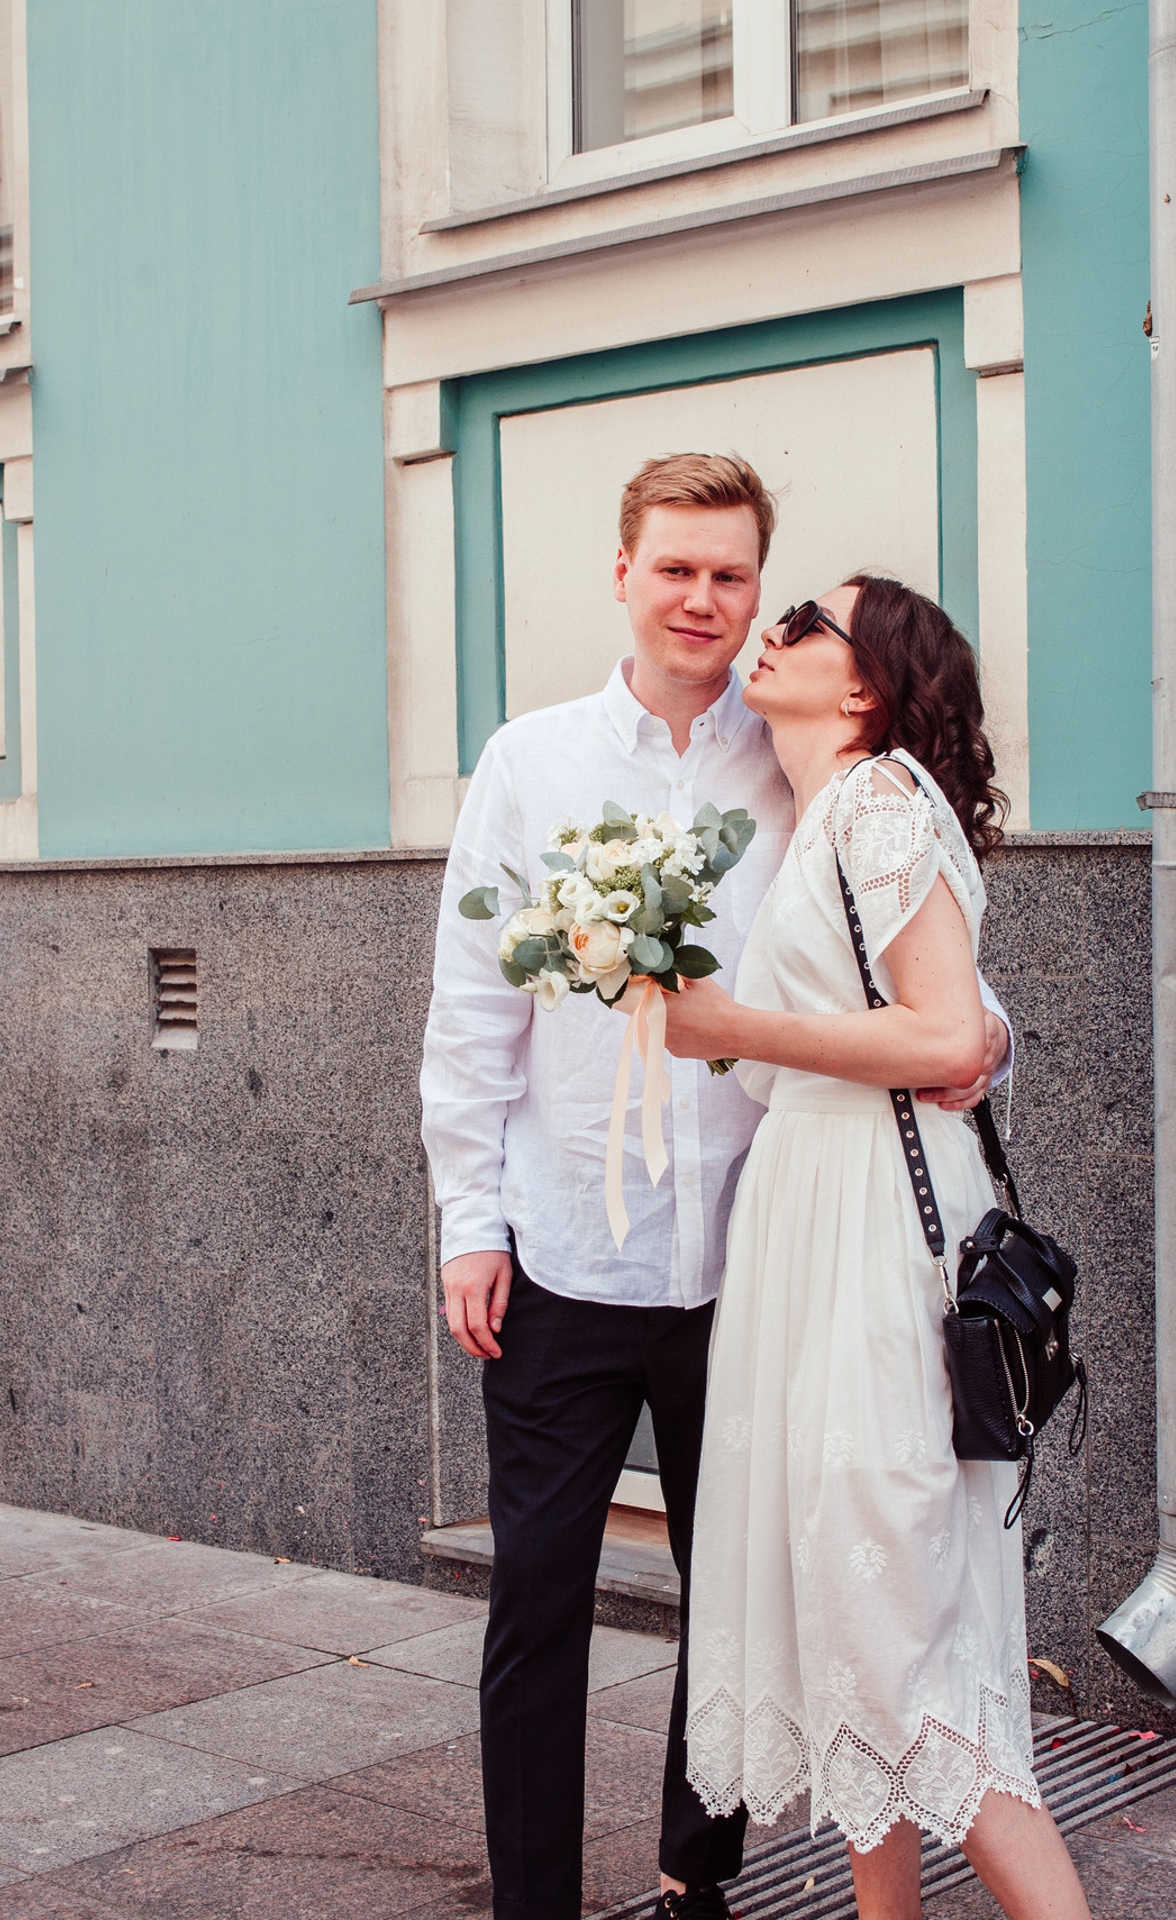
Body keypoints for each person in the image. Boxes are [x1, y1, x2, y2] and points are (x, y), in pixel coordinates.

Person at [420, 459, 1014, 1920]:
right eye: (677, 569)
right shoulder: (531, 763)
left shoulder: (806, 759)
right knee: (537, 1604)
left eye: (733, 575)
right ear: (623, 574)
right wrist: (469, 1223)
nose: (705, 600)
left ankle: (703, 1874)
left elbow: (920, 959)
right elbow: (469, 1014)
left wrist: (990, 1037)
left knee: (739, 1593)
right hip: (563, 1255)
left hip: (756, 1270)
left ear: (759, 587)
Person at [659, 575, 1091, 1920]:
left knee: (899, 1642)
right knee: (858, 1643)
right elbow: (961, 1019)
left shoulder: (876, 801)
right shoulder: (824, 813)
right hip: (819, 1217)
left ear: (865, 686)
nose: (766, 629)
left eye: (801, 615)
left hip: (869, 1233)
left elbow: (945, 1032)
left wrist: (724, 1024)